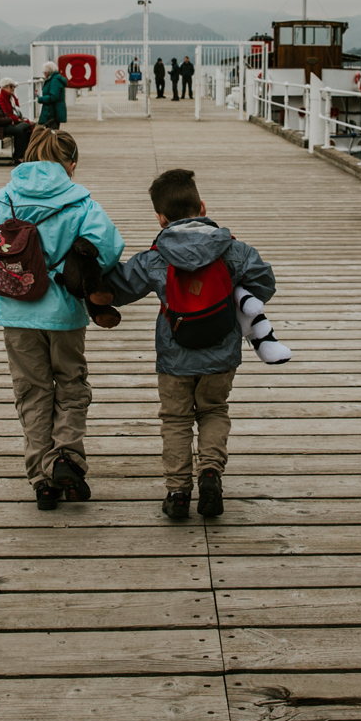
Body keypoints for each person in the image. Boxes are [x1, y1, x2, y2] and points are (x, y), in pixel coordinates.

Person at [104, 168, 276, 520]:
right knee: (213, 410)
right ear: (202, 207)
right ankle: (210, 472)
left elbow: (118, 290)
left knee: (176, 419)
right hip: (222, 352)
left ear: (160, 218)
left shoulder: (155, 257)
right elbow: (265, 284)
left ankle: (178, 491)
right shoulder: (234, 249)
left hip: (174, 356)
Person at [0, 127, 124, 510]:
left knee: (32, 390)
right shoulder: (80, 200)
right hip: (65, 314)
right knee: (71, 384)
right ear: (70, 164)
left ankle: (42, 477)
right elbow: (110, 250)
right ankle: (66, 458)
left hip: (16, 311)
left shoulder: (4, 198)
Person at [37, 61, 67, 129]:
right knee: (53, 131)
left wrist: (41, 99)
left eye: (44, 72)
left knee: (52, 131)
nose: (44, 74)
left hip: (52, 112)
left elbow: (53, 97)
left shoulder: (54, 81)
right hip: (54, 111)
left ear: (48, 72)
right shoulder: (56, 79)